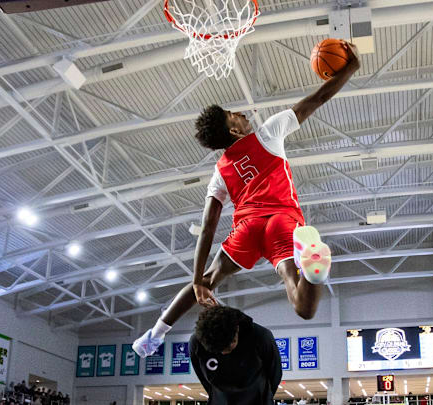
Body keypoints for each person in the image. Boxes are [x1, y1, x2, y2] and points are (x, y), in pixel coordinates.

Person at [133, 41, 361, 357]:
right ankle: (311, 273)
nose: (240, 113)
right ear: (236, 131)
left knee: (212, 279)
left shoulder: (220, 171)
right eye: (233, 115)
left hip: (248, 230)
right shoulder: (268, 132)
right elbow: (320, 97)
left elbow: (208, 225)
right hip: (283, 221)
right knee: (301, 302)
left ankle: (153, 337)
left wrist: (199, 279)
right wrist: (350, 67)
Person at [189, 306, 281, 405]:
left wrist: (265, 396)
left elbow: (275, 373)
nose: (225, 352)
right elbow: (203, 379)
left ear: (237, 328)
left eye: (231, 343)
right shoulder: (197, 343)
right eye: (220, 350)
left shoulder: (261, 336)